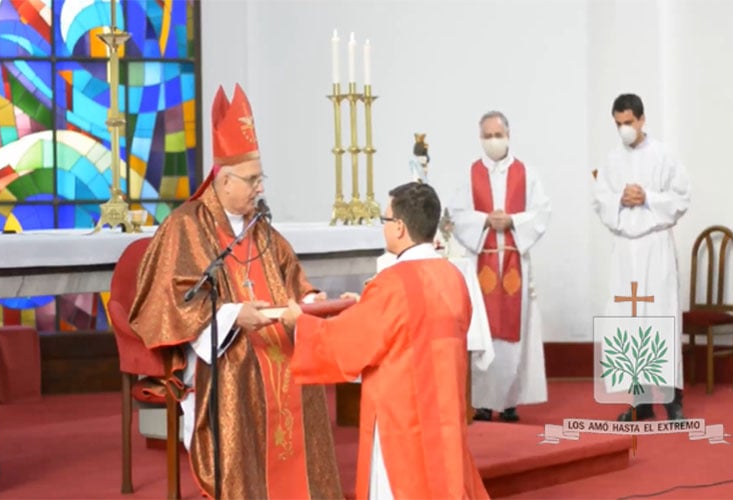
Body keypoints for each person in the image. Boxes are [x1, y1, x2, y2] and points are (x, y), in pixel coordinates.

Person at [129, 84, 342, 498]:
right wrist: (230, 316)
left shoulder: (263, 228)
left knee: (304, 367)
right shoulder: (185, 227)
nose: (260, 188)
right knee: (242, 365)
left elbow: (294, 278)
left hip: (272, 334)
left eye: (261, 178)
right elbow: (165, 301)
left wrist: (314, 301)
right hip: (218, 345)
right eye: (252, 179)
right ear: (224, 181)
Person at [280, 182, 489, 500]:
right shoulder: (453, 276)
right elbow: (419, 324)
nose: (384, 226)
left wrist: (301, 324)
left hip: (403, 417)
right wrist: (367, 304)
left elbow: (348, 343)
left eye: (386, 219)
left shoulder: (392, 283)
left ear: (400, 227)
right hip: (444, 413)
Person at [593, 93, 691, 421]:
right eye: (618, 124)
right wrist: (619, 198)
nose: (624, 129)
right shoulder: (611, 160)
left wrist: (647, 196)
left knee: (660, 319)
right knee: (629, 323)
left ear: (642, 120)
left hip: (654, 245)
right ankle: (640, 400)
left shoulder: (663, 155)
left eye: (628, 123)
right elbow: (600, 200)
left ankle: (673, 400)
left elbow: (681, 198)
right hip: (625, 250)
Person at [449, 110, 551, 423]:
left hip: (514, 260)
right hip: (483, 259)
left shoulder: (526, 173)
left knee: (512, 333)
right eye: (487, 135)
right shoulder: (470, 174)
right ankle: (480, 402)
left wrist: (512, 221)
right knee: (483, 330)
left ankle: (508, 403)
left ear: (508, 135)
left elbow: (542, 211)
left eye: (498, 134)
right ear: (480, 138)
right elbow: (456, 212)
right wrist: (483, 220)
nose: (493, 140)